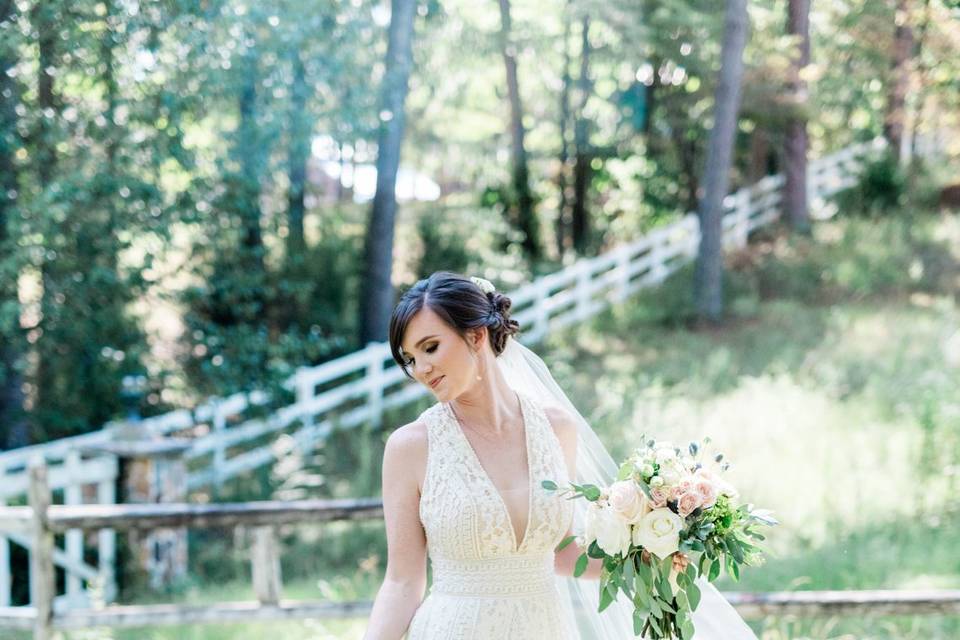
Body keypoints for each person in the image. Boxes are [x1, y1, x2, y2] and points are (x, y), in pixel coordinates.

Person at [362, 271, 759, 639]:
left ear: (477, 336)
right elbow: (401, 582)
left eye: (430, 347)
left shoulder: (555, 428)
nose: (421, 369)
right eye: (410, 359)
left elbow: (564, 552)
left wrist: (656, 544)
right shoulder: (411, 447)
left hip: (544, 627)